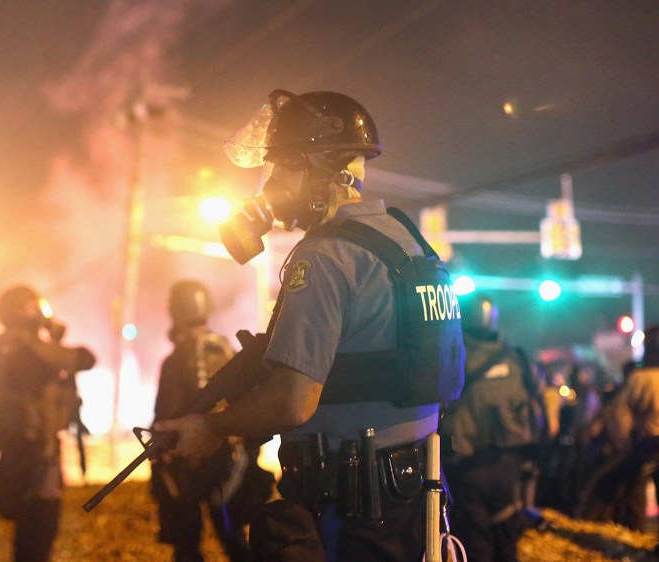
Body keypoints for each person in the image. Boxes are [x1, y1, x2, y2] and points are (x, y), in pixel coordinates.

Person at [154, 90, 464, 562]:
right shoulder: (411, 245)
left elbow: (293, 401)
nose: (272, 184)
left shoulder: (325, 256)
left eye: (282, 168)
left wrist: (212, 427)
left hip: (346, 509)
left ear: (321, 167)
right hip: (415, 505)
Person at [151, 280, 275, 562]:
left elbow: (165, 418)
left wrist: (162, 457)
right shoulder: (227, 350)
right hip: (232, 460)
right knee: (233, 536)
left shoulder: (177, 360)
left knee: (186, 544)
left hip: (190, 464)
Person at [0, 285, 96, 562]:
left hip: (15, 446)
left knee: (28, 532)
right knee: (39, 529)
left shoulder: (1, 346)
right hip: (36, 451)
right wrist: (54, 335)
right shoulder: (28, 347)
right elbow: (84, 359)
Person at [438, 294, 543, 562]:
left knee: (474, 540)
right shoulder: (517, 359)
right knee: (507, 535)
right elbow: (537, 409)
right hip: (509, 465)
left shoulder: (453, 356)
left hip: (466, 466)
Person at [600, 324, 659, 532]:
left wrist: (623, 440)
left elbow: (620, 412)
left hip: (649, 443)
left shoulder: (640, 378)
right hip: (649, 443)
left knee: (636, 491)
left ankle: (636, 533)